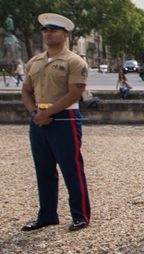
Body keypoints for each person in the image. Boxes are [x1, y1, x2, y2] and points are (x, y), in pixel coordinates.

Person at [19, 13, 92, 232]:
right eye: (45, 30)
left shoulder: (74, 61)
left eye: (53, 30)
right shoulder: (35, 61)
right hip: (38, 118)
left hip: (64, 118)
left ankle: (80, 214)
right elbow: (26, 90)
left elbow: (75, 93)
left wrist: (47, 112)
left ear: (64, 35)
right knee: (43, 169)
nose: (48, 34)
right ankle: (47, 214)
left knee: (71, 168)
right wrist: (34, 112)